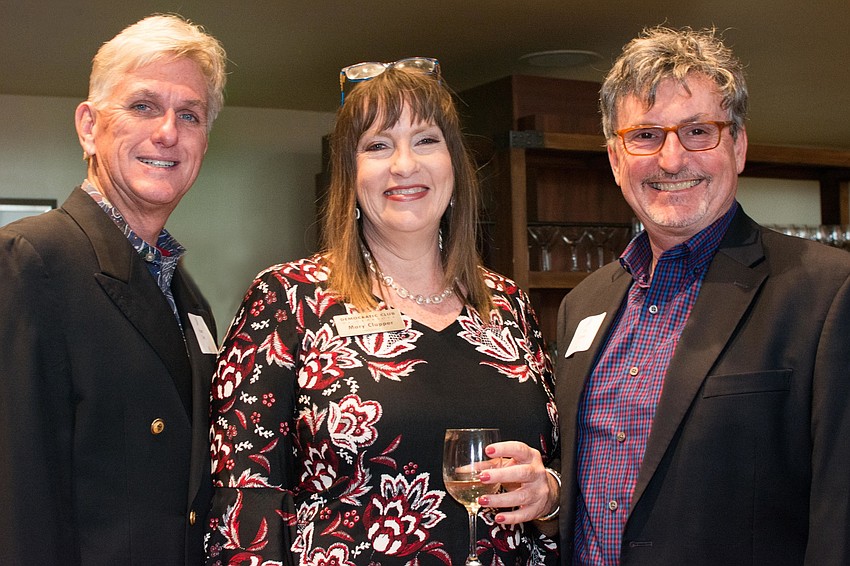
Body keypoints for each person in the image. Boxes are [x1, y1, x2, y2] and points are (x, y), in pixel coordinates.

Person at [205, 58, 561, 565]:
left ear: (455, 165)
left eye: (426, 140)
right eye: (377, 146)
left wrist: (550, 493)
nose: (404, 165)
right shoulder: (287, 300)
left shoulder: (509, 305)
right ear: (349, 175)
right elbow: (244, 500)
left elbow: (559, 467)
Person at [553, 25, 850, 565]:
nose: (671, 160)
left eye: (697, 132)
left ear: (738, 146)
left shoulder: (827, 292)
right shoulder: (583, 305)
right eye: (645, 135)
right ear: (616, 159)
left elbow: (841, 515)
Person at [0, 14, 227, 565]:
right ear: (88, 126)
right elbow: (16, 501)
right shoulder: (29, 261)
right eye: (143, 106)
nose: (168, 132)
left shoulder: (187, 297)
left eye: (190, 114)